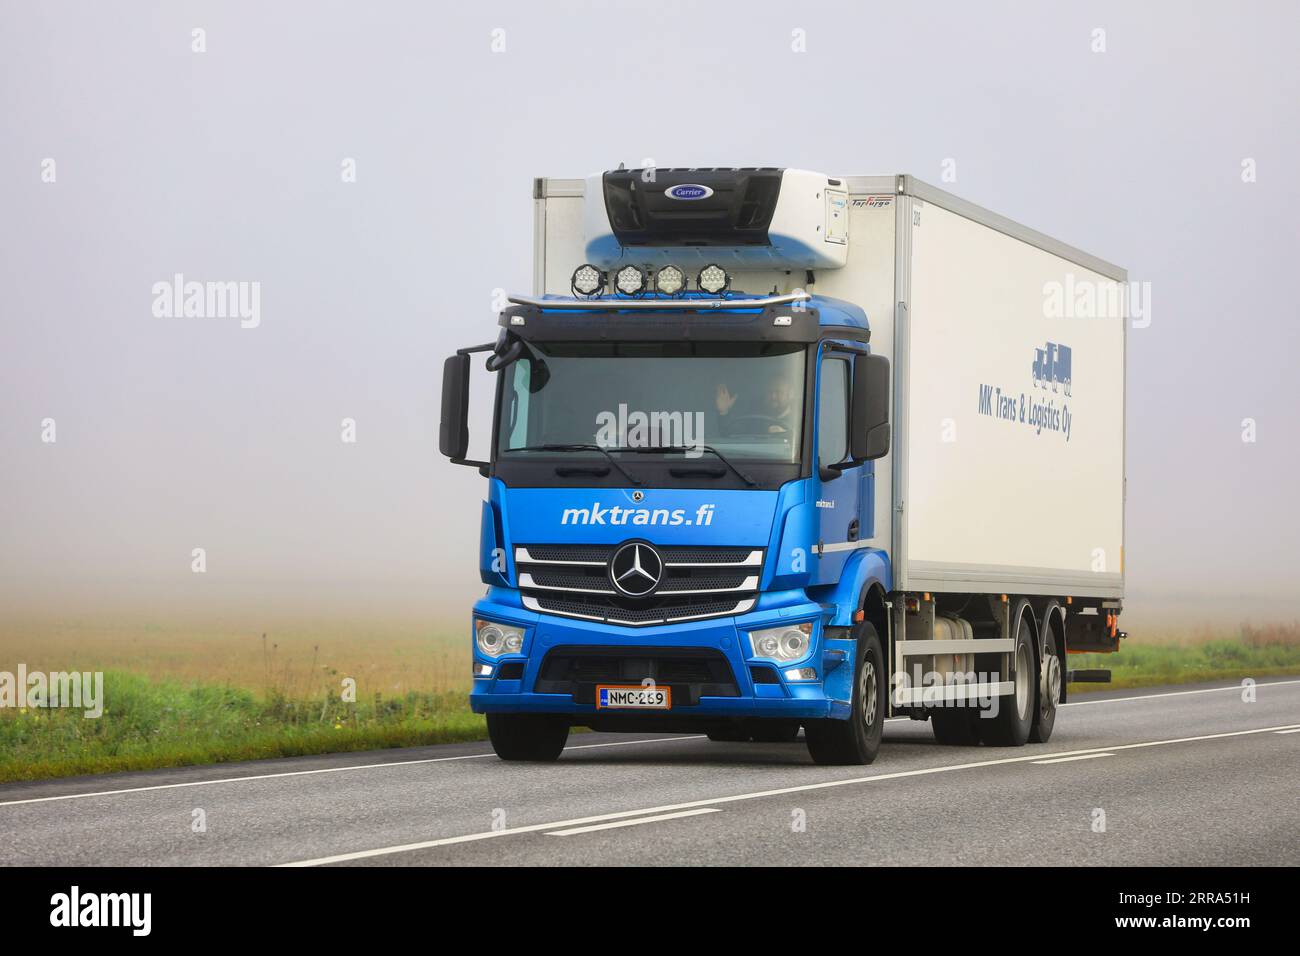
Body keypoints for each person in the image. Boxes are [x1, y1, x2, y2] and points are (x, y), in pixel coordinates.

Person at [715, 372, 798, 435]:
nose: (773, 396)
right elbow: (729, 436)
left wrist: (786, 434)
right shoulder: (754, 418)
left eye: (778, 392)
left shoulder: (799, 420)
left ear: (791, 394)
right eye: (769, 392)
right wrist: (724, 412)